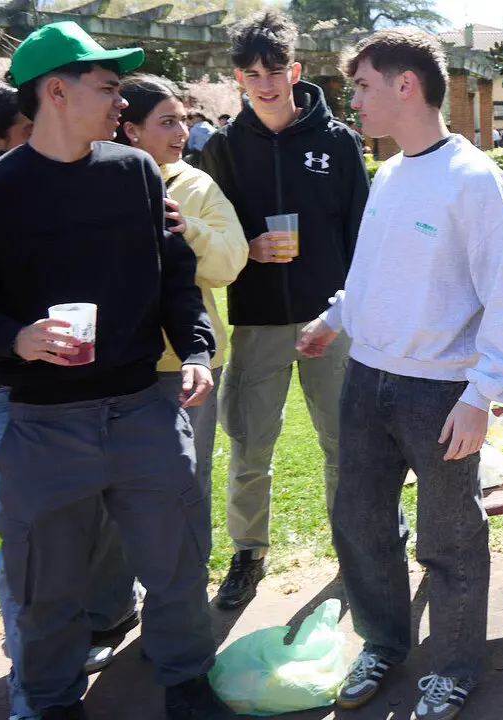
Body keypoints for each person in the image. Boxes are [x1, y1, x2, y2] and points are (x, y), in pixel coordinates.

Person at [0, 22, 233, 718]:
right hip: (43, 425)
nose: (119, 103)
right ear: (56, 92)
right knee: (48, 587)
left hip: (143, 408)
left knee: (176, 567)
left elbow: (176, 280)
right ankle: (56, 702)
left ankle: (186, 682)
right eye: (107, 88)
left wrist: (197, 350)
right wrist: (16, 338)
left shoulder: (134, 175)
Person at [297, 28, 503, 720]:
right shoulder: (393, 173)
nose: (353, 104)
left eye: (363, 87)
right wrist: (336, 317)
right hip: (365, 380)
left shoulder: (476, 181)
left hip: (440, 393)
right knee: (360, 521)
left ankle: (454, 670)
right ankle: (384, 643)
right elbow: (374, 272)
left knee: (449, 540)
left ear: (407, 84)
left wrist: (483, 396)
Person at [0, 83, 144, 719]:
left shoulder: (101, 179)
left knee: (72, 537)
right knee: (28, 549)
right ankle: (35, 695)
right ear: (3, 139)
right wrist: (14, 338)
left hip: (67, 395)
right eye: (31, 128)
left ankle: (58, 659)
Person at [200, 9, 369, 610]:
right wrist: (245, 249)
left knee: (346, 444)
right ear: (238, 80)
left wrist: (351, 313)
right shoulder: (221, 149)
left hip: (332, 320)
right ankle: (248, 553)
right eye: (251, 73)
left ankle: (358, 544)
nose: (265, 83)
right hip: (258, 322)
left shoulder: (340, 143)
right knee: (249, 445)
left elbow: (364, 241)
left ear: (295, 70)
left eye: (275, 70)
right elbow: (208, 238)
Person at [115, 74, 248, 505]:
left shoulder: (196, 185)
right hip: (114, 363)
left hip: (188, 365)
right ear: (131, 129)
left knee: (188, 476)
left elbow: (230, 260)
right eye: (168, 122)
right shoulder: (91, 180)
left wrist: (187, 227)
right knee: (122, 481)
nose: (183, 132)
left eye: (184, 120)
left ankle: (186, 569)